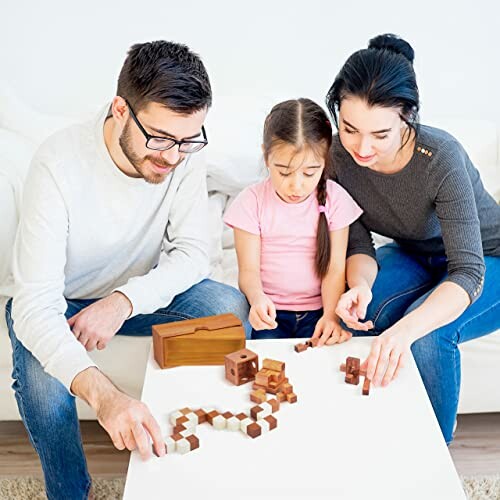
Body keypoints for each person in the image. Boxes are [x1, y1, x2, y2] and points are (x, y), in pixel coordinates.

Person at [5, 40, 249, 499]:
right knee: (42, 379)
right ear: (120, 109)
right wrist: (107, 397)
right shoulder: (57, 164)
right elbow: (34, 304)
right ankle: (69, 490)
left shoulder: (182, 156)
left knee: (227, 307)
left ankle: (197, 461)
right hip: (60, 303)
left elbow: (194, 253)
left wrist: (123, 302)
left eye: (186, 141)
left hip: (133, 294)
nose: (172, 156)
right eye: (159, 138)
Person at [326, 34, 500, 444]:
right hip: (415, 253)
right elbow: (358, 243)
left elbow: (468, 270)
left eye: (380, 134)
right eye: (350, 128)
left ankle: (431, 450)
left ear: (408, 117)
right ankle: (375, 432)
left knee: (427, 334)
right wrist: (361, 286)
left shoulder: (440, 157)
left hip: (486, 260)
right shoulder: (337, 157)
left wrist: (406, 330)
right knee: (364, 317)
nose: (362, 147)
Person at [224, 98, 362, 342]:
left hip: (320, 312)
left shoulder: (336, 199)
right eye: (284, 171)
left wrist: (331, 316)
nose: (296, 185)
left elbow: (335, 269)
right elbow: (248, 271)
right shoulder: (251, 202)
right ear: (266, 157)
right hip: (269, 312)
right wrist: (257, 299)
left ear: (325, 162)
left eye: (310, 172)